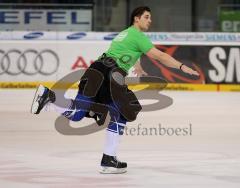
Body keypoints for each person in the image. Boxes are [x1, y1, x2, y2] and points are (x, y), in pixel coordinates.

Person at [31, 6, 199, 174]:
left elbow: (130, 52)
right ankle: (108, 159)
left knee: (78, 114)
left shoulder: (125, 34)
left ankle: (50, 97)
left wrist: (138, 67)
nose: (150, 20)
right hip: (109, 74)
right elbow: (160, 56)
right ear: (137, 19)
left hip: (96, 70)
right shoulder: (138, 36)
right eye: (147, 17)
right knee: (125, 111)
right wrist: (182, 66)